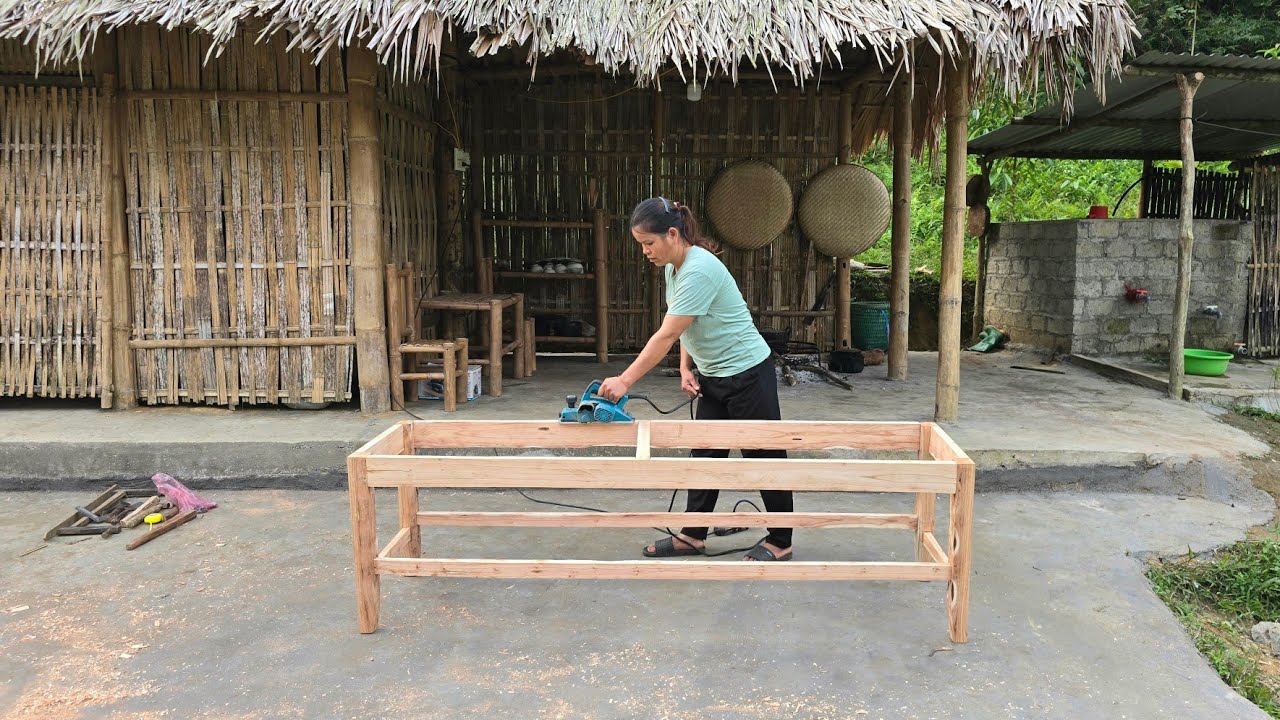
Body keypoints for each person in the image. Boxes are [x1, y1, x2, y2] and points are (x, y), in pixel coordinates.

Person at [597, 197, 792, 562]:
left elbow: (666, 334)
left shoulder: (699, 269)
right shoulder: (674, 267)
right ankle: (693, 536)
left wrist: (625, 380)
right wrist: (687, 367)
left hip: (749, 374)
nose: (645, 252)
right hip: (714, 376)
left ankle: (781, 540)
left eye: (648, 243)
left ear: (672, 234)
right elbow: (686, 324)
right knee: (705, 455)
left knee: (763, 456)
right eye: (641, 245)